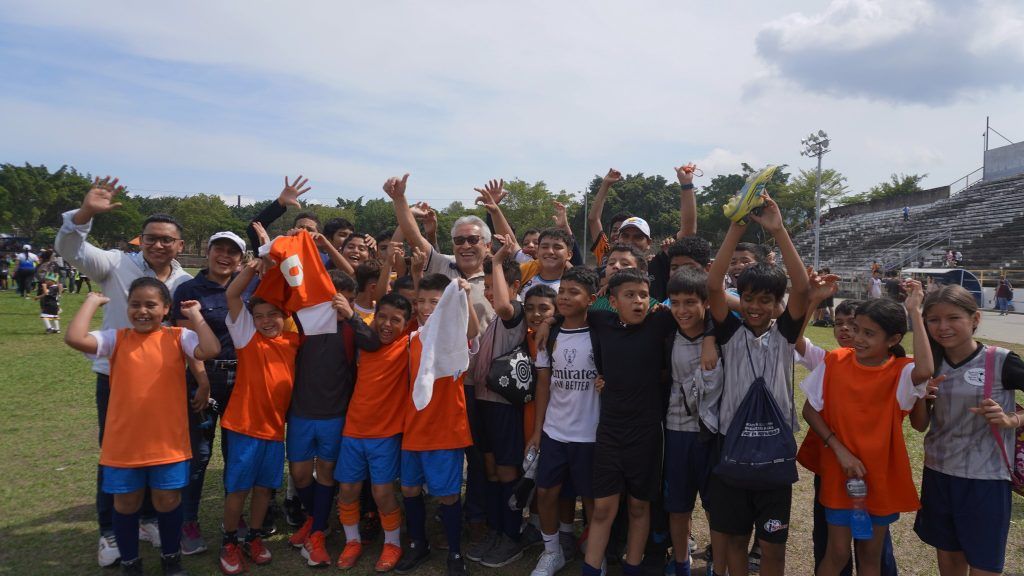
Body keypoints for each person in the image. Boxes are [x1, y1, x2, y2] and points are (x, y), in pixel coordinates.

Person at [55, 176, 194, 567]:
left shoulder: (184, 281)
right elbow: (69, 249)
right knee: (117, 455)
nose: (158, 244)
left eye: (167, 239)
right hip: (116, 376)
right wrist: (85, 214)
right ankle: (110, 531)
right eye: (151, 238)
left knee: (158, 452)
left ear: (180, 245)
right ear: (140, 239)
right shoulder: (116, 264)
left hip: (164, 380)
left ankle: (148, 520)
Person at [64, 281, 221, 576]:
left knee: (168, 500)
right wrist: (92, 301)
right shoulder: (117, 339)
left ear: (166, 308)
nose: (142, 311)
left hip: (168, 442)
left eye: (151, 305)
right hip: (124, 444)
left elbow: (211, 349)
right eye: (135, 304)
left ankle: (171, 559)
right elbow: (75, 338)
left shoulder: (179, 337)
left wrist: (196, 315)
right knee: (126, 503)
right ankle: (130, 563)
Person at [706, 193, 810, 576]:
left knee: (772, 549)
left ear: (777, 303)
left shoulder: (784, 336)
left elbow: (802, 289)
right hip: (732, 451)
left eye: (766, 300)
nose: (755, 307)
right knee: (734, 541)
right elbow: (713, 287)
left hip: (774, 460)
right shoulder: (730, 334)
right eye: (748, 298)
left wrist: (779, 230)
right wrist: (735, 229)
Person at [799, 285, 934, 576]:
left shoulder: (901, 372)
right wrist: (839, 450)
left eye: (869, 334)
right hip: (839, 474)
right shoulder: (836, 361)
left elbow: (925, 370)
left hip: (880, 477)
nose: (857, 338)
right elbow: (810, 410)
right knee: (836, 553)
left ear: (893, 339)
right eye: (856, 329)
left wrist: (915, 311)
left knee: (870, 556)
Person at [913, 285, 1024, 575]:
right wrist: (922, 397)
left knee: (984, 565)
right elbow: (919, 424)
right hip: (938, 474)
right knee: (949, 561)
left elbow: (1013, 417)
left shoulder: (1001, 360)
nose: (942, 327)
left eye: (953, 318)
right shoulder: (930, 364)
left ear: (975, 319)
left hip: (986, 479)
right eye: (933, 319)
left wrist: (1012, 419)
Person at [217, 259, 301, 574]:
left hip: (274, 430)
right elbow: (232, 295)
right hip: (244, 427)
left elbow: (302, 299)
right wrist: (252, 268)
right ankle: (229, 542)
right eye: (259, 316)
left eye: (273, 314)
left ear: (285, 316)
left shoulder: (293, 341)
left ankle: (253, 537)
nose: (266, 321)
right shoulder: (247, 338)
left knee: (265, 488)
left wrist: (284, 269)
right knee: (239, 488)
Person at [170, 230, 249, 555]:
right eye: (219, 249)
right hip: (204, 378)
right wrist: (201, 381)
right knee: (199, 455)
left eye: (232, 252)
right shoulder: (189, 289)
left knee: (236, 452)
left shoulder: (247, 287)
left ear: (241, 260)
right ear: (208, 251)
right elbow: (186, 340)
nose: (225, 256)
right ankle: (188, 521)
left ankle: (234, 516)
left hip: (242, 380)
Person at [395, 273, 479, 576]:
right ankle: (418, 544)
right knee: (409, 488)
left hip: (446, 429)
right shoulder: (413, 337)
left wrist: (464, 297)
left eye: (435, 301)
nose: (427, 307)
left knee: (448, 494)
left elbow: (472, 329)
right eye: (421, 301)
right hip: (414, 427)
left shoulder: (452, 336)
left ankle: (455, 552)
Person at [527, 267, 600, 576]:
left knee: (592, 499)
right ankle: (551, 551)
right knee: (546, 493)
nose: (565, 298)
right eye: (562, 292)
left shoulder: (601, 333)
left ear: (591, 299)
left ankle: (595, 555)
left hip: (591, 433)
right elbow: (543, 385)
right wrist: (537, 431)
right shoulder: (550, 334)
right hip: (555, 431)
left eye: (574, 292)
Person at [335, 293, 416, 572]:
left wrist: (416, 274)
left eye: (395, 320)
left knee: (382, 492)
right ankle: (352, 541)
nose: (387, 324)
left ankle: (392, 543)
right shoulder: (363, 341)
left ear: (406, 324)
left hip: (385, 435)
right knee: (348, 489)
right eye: (382, 317)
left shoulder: (407, 344)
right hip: (353, 430)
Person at [463, 247, 531, 569]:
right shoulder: (492, 322)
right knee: (489, 467)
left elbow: (503, 305)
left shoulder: (514, 313)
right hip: (482, 403)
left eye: (494, 286)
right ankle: (496, 529)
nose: (489, 292)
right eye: (487, 287)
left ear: (515, 286)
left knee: (506, 471)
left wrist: (500, 261)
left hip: (502, 406)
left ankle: (511, 535)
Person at [662, 267, 722, 576]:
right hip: (676, 432)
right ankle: (682, 561)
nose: (681, 310)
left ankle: (718, 561)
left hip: (712, 434)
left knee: (715, 506)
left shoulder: (723, 334)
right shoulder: (665, 332)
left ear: (706, 303)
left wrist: (711, 334)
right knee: (678, 506)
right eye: (675, 303)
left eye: (690, 302)